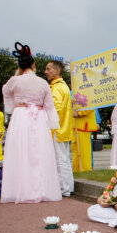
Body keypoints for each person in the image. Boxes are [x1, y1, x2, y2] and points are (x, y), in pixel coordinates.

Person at [0, 42, 62, 203]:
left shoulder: (14, 80)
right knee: (39, 153)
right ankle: (41, 189)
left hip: (21, 115)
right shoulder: (43, 83)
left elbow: (5, 91)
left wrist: (13, 105)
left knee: (20, 152)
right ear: (33, 65)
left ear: (20, 66)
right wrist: (53, 122)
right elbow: (49, 104)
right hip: (39, 116)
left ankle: (19, 189)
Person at [45, 60, 74, 197]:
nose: (46, 71)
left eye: (48, 69)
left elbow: (55, 108)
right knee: (64, 160)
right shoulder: (62, 86)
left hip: (57, 129)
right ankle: (67, 187)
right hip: (63, 128)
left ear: (57, 71)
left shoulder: (56, 87)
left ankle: (64, 189)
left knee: (60, 160)